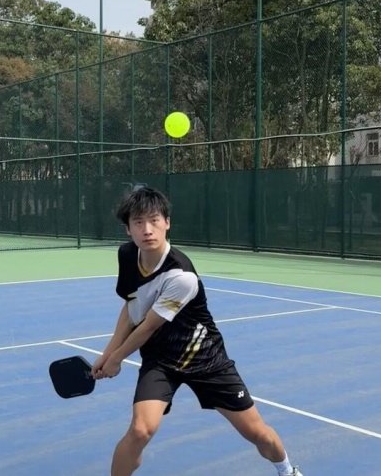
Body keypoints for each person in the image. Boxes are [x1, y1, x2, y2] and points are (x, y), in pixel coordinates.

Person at [91, 187, 303, 476]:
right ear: (128, 229)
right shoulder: (128, 255)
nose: (147, 230)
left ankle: (287, 470)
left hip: (205, 358)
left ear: (167, 222)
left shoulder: (182, 276)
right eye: (138, 222)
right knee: (140, 430)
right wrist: (107, 354)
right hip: (161, 360)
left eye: (154, 220)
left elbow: (149, 326)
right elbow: (132, 307)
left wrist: (116, 359)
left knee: (258, 434)